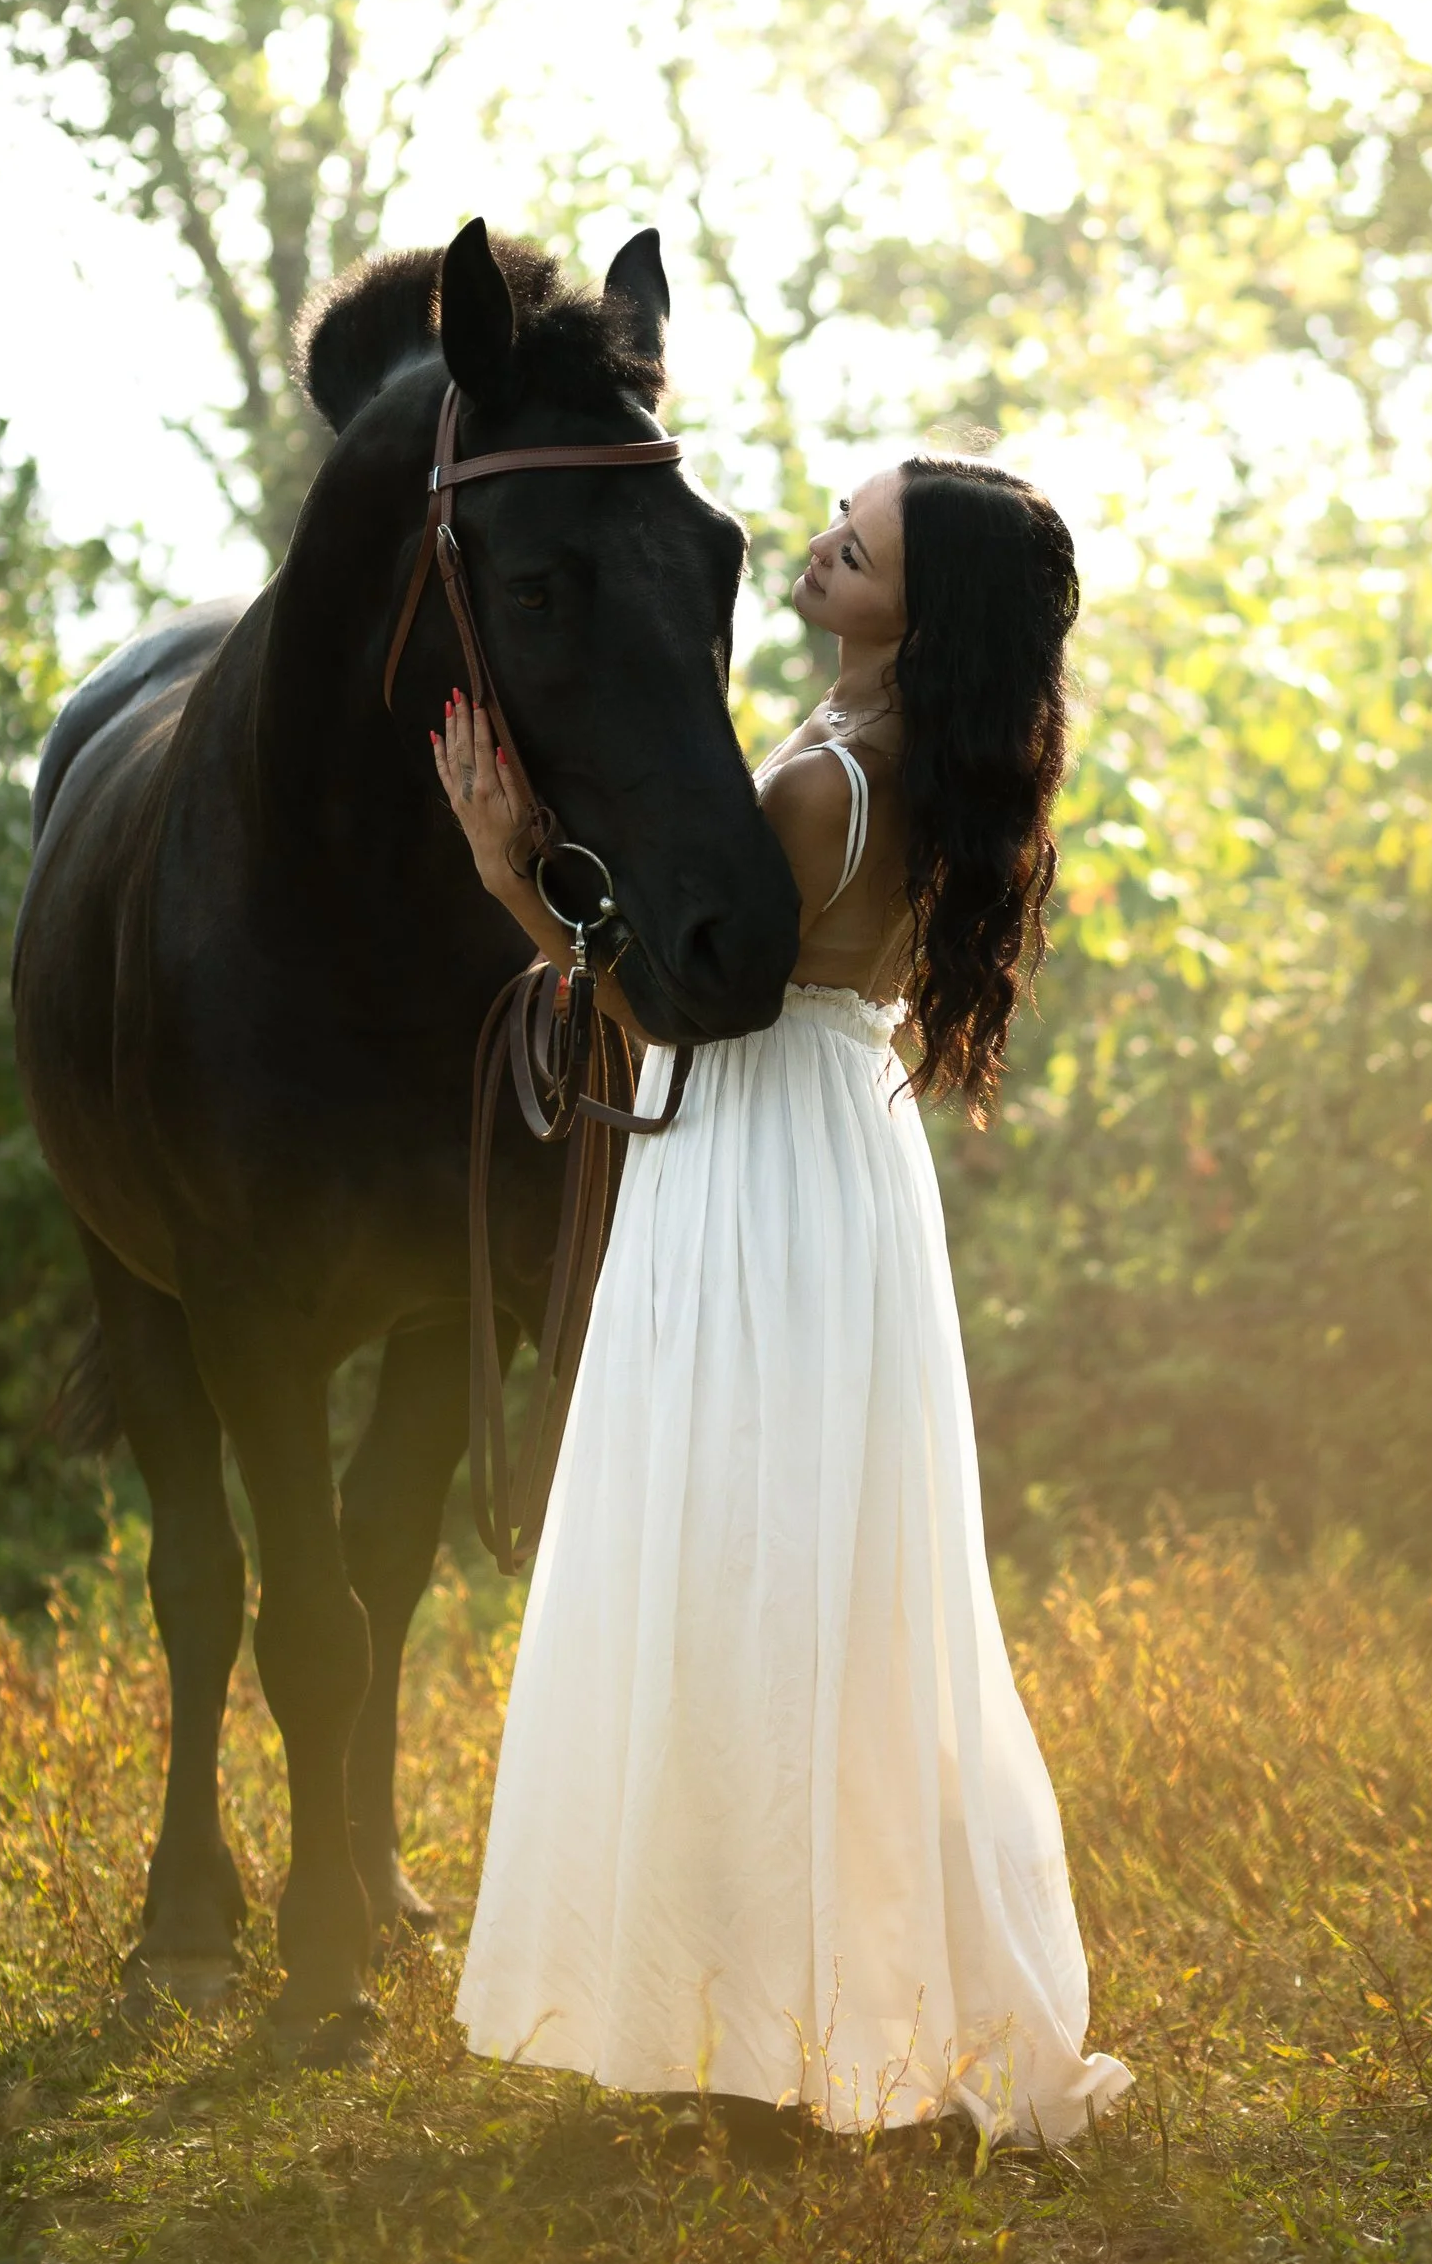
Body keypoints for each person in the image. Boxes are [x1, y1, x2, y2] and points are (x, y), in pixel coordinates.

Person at [439, 454, 1129, 2148]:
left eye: (863, 542)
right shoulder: (906, 767)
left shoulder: (827, 791)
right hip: (834, 1159)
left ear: (919, 605)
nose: (824, 542)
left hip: (750, 1162)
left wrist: (502, 860)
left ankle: (753, 2018)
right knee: (802, 1571)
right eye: (842, 514)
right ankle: (785, 2006)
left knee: (734, 1564)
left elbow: (665, 1018)